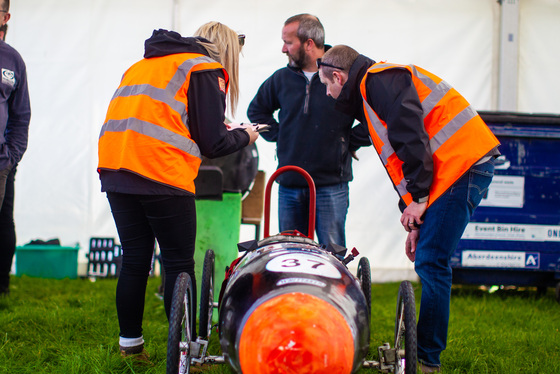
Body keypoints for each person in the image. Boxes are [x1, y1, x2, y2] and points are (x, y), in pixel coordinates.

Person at [317, 45, 500, 372]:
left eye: (327, 86)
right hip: (454, 169)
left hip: (461, 165)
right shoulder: (372, 91)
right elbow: (403, 156)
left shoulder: (379, 80)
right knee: (431, 258)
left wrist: (417, 198)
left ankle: (427, 360)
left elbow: (411, 137)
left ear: (337, 75)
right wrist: (416, 220)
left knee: (432, 262)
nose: (329, 95)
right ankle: (425, 355)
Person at [97, 25, 259, 357]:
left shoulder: (144, 64)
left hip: (116, 169)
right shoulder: (204, 68)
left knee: (135, 260)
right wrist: (246, 136)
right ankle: (186, 349)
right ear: (225, 51)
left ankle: (130, 346)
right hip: (160, 172)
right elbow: (212, 143)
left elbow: (165, 117)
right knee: (179, 262)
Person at [247, 14, 370, 247]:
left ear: (309, 44)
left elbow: (372, 118)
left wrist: (348, 141)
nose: (283, 48)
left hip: (331, 185)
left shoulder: (342, 76)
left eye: (289, 42)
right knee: (291, 253)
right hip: (289, 184)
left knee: (332, 255)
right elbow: (257, 111)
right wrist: (279, 136)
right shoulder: (281, 79)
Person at [0, 0, 31, 296]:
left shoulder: (13, 60)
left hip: (2, 160)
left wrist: (11, 156)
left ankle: (3, 285)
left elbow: (21, 115)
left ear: (5, 17)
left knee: (3, 220)